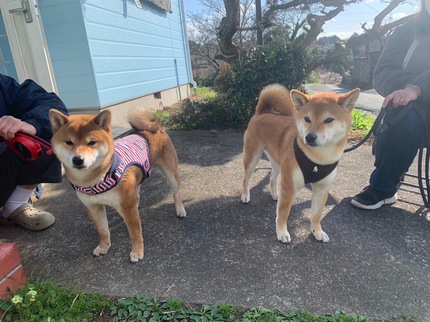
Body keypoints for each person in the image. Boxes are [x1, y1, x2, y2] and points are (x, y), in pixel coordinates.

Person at [351, 0, 430, 210]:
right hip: (411, 114)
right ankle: (383, 187)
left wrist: (417, 87)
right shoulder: (406, 31)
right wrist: (407, 92)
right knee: (404, 114)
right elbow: (382, 73)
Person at [0, 74, 68, 229]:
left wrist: (33, 124)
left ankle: (14, 206)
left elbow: (51, 103)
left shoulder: (3, 86)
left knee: (46, 137)